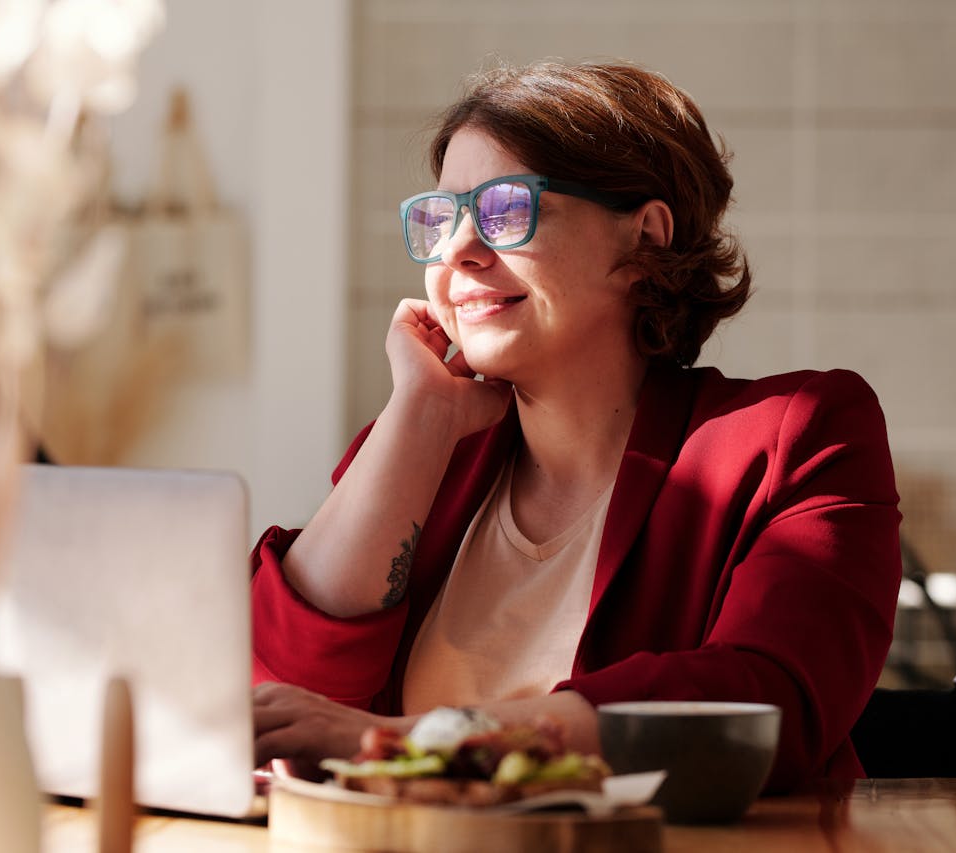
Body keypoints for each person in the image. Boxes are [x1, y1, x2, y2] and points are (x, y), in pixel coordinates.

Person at [251, 59, 902, 793]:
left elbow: (763, 705)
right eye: (440, 218)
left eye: (504, 210)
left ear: (645, 242)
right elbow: (279, 704)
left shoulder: (801, 434)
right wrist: (417, 415)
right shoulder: (417, 450)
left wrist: (425, 740)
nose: (459, 250)